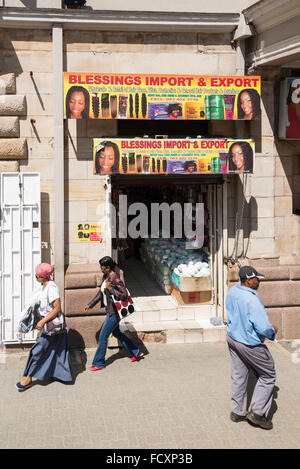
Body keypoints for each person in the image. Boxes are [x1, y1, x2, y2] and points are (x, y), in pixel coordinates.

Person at [225, 265, 278, 430]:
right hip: (249, 343)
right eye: (257, 279)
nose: (259, 281)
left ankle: (237, 412)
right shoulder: (252, 300)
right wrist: (272, 332)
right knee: (268, 375)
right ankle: (256, 413)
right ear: (248, 280)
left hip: (233, 338)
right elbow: (263, 327)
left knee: (239, 375)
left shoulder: (233, 291)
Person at [16, 263, 72, 391]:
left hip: (51, 326)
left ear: (45, 276)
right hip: (53, 327)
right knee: (59, 350)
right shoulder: (45, 285)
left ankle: (28, 378)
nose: (36, 277)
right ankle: (63, 375)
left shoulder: (51, 288)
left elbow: (57, 308)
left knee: (37, 351)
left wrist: (42, 321)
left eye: (38, 275)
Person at [84, 256, 142, 370]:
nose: (100, 269)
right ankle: (136, 351)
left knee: (103, 336)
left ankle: (98, 362)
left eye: (102, 267)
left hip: (114, 312)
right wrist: (90, 305)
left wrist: (110, 289)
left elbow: (124, 294)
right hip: (109, 310)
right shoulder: (105, 276)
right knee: (117, 333)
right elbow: (101, 293)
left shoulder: (115, 279)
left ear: (108, 267)